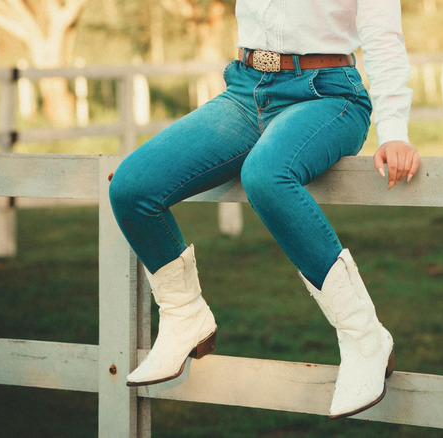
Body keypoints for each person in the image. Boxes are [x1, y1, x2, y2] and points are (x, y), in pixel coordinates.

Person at [109, 0, 420, 419]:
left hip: (329, 95)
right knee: (132, 187)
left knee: (266, 174)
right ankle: (185, 317)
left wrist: (395, 129)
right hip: (245, 91)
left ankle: (364, 338)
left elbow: (383, 38)